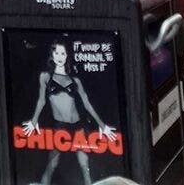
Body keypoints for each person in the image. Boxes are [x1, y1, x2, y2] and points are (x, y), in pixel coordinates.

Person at [20, 41, 119, 185]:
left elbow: (87, 104)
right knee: (52, 163)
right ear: (52, 55)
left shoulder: (75, 80)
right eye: (57, 53)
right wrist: (33, 121)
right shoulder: (45, 77)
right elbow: (41, 101)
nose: (60, 56)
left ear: (67, 56)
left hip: (78, 125)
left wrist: (102, 126)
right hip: (60, 127)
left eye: (63, 53)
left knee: (85, 165)